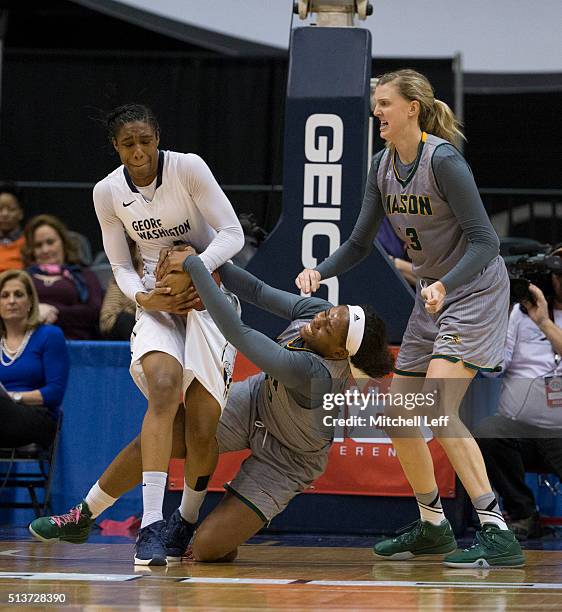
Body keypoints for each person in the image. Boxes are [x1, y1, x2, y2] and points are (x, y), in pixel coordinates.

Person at [295, 69, 523, 568]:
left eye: (384, 103)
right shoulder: (381, 166)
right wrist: (320, 270)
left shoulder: (444, 162)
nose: (376, 111)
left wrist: (445, 282)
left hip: (475, 288)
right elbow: (359, 243)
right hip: (432, 295)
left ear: (411, 109)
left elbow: (486, 241)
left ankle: (497, 531)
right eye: (375, 103)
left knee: (438, 408)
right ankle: (433, 525)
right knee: (400, 417)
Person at [29, 251, 394, 563]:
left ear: (337, 353)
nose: (322, 318)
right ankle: (84, 514)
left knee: (206, 550)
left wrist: (194, 267)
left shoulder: (317, 373)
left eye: (331, 325)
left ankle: (214, 531)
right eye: (331, 312)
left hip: (290, 458)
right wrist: (211, 258)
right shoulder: (319, 311)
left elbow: (239, 333)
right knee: (161, 437)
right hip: (257, 402)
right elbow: (256, 291)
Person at [91, 104, 244, 565]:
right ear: (115, 147)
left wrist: (193, 271)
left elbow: (232, 234)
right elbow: (120, 264)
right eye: (127, 143)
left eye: (145, 140)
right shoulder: (107, 192)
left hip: (207, 299)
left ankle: (187, 517)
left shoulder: (188, 168)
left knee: (201, 428)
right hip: (157, 302)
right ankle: (152, 523)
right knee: (162, 389)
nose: (138, 151)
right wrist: (145, 299)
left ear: (157, 138)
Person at [476, 250, 562, 540]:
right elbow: (493, 370)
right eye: (559, 276)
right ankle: (524, 514)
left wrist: (544, 323)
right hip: (521, 429)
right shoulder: (519, 313)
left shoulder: (540, 318)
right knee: (489, 431)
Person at [0, 270, 69, 449]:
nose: (11, 301)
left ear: (30, 301)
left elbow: (54, 393)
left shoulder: (49, 335)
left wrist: (13, 398)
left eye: (19, 294)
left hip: (38, 418)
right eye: (5, 295)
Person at [22, 214, 104, 340]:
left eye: (50, 242)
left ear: (63, 243)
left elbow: (94, 311)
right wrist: (35, 314)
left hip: (77, 345)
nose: (45, 249)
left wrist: (55, 311)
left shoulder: (84, 275)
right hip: (29, 344)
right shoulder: (22, 278)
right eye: (38, 245)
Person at [99, 238, 141, 340]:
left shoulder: (174, 276)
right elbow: (107, 320)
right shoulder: (121, 278)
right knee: (124, 319)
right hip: (131, 333)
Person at [0, 182, 25, 273]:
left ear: (20, 214)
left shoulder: (30, 243)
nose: (4, 214)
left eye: (11, 209)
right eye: (0, 209)